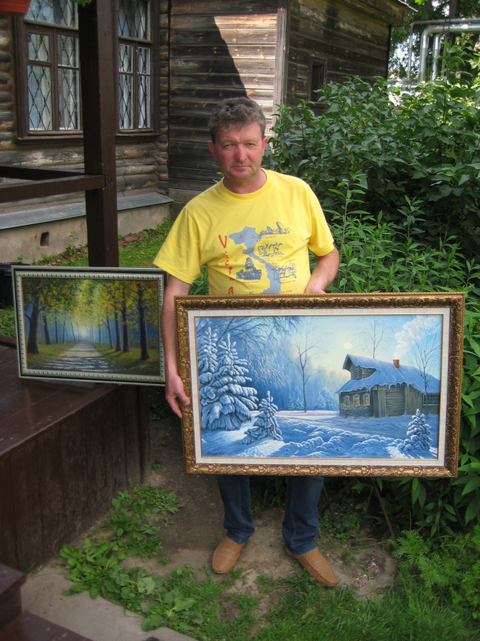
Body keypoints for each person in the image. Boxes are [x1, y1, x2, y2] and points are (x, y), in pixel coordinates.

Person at [154, 97, 340, 587]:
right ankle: (237, 530)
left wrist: (317, 284)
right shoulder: (198, 212)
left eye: (250, 143)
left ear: (265, 143)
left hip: (295, 341)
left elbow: (328, 254)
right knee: (224, 435)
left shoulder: (297, 193)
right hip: (229, 349)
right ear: (213, 150)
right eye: (229, 145)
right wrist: (172, 367)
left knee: (304, 439)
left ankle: (302, 539)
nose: (241, 155)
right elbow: (174, 294)